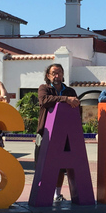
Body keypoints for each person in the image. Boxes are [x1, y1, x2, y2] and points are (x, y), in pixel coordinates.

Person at [37, 63, 80, 202]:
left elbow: (77, 108)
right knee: (43, 164)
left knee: (61, 166)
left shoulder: (70, 91)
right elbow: (44, 101)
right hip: (46, 132)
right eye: (54, 73)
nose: (57, 76)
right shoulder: (44, 88)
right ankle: (41, 193)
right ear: (48, 76)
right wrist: (65, 100)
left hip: (65, 133)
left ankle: (57, 194)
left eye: (59, 73)